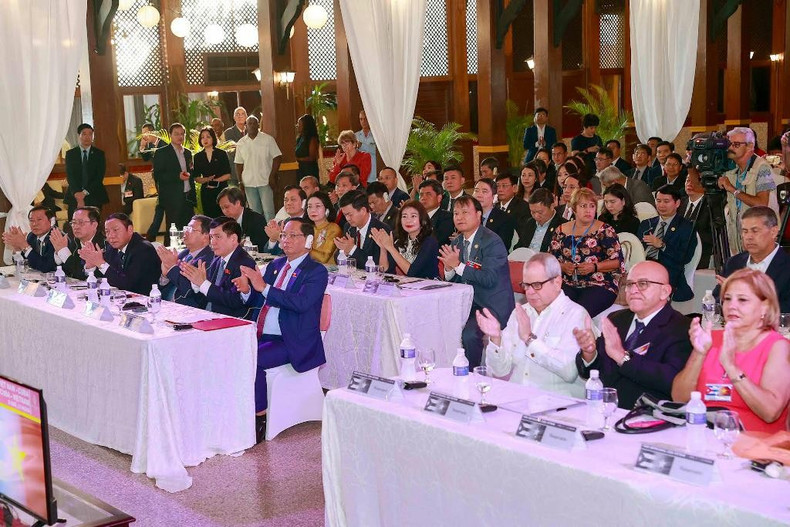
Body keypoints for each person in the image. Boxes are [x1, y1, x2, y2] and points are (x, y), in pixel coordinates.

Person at [234, 218, 328, 443]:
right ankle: (237, 410)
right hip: (264, 335)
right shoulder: (276, 266)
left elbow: (301, 303)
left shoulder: (316, 271)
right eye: (284, 235)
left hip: (293, 340)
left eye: (292, 235)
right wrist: (247, 289)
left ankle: (260, 416)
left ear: (308, 241)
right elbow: (258, 298)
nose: (285, 240)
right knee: (232, 351)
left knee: (252, 359)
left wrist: (264, 287)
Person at [672, 269, 790, 433]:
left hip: (755, 446)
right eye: (727, 299)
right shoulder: (710, 338)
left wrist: (731, 367)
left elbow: (770, 412)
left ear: (765, 307)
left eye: (742, 300)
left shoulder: (778, 346)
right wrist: (699, 354)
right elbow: (679, 398)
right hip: (704, 437)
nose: (732, 306)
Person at [573, 261, 693, 409]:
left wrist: (623, 357)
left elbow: (671, 381)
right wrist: (589, 353)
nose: (633, 290)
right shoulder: (616, 319)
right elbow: (595, 370)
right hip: (604, 411)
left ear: (665, 291)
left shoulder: (681, 328)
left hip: (647, 417)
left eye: (643, 284)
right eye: (629, 284)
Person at [478, 253, 592, 397]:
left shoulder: (575, 315)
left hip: (556, 405)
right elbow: (500, 371)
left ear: (557, 282)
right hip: (517, 398)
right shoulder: (521, 312)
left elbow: (570, 372)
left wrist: (530, 339)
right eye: (526, 285)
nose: (530, 292)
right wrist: (495, 339)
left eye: (537, 285)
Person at [439, 196, 514, 368]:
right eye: (456, 213)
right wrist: (450, 269)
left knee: (469, 335)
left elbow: (489, 278)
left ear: (478, 214)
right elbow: (455, 277)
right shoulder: (457, 241)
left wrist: (457, 265)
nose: (459, 217)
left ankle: (471, 374)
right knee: (438, 321)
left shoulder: (492, 241)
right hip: (468, 302)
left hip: (490, 304)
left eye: (465, 212)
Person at [550, 188, 624, 318]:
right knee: (556, 311)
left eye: (592, 206)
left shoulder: (605, 230)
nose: (588, 210)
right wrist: (562, 267)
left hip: (599, 284)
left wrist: (594, 267)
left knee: (577, 314)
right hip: (568, 282)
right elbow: (550, 260)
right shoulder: (561, 230)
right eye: (583, 206)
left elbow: (617, 262)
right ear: (574, 209)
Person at [175, 216, 255, 317]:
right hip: (208, 314)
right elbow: (207, 295)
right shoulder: (217, 260)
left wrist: (203, 283)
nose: (212, 242)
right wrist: (197, 284)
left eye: (218, 237)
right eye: (211, 237)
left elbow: (234, 301)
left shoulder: (244, 263)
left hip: (230, 321)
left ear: (233, 239)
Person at [715, 206, 790, 311]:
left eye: (755, 231)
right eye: (745, 231)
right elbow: (715, 301)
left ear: (773, 232)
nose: (749, 237)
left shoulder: (786, 266)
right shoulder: (733, 263)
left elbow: (786, 309)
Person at [719, 127, 777, 254]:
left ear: (750, 146)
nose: (730, 148)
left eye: (736, 144)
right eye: (729, 144)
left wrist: (733, 190)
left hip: (760, 241)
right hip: (740, 241)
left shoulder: (762, 168)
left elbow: (761, 204)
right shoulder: (732, 171)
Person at [636, 185, 697, 302]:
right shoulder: (646, 224)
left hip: (667, 271)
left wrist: (662, 246)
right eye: (658, 201)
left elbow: (685, 257)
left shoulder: (686, 227)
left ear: (677, 203)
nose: (661, 205)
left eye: (666, 201)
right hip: (642, 267)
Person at [78, 213, 160, 295]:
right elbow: (108, 275)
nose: (111, 236)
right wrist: (91, 266)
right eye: (107, 231)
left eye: (115, 230)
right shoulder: (112, 248)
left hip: (145, 300)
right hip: (121, 297)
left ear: (130, 230)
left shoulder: (143, 249)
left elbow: (127, 284)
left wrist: (101, 263)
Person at [371, 200, 439, 279]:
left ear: (422, 219)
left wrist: (390, 247)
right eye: (404, 216)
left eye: (413, 216)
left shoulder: (429, 242)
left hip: (428, 287)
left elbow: (412, 272)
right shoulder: (399, 240)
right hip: (405, 287)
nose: (408, 220)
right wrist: (383, 248)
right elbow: (385, 270)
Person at [156, 214, 214, 305]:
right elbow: (161, 288)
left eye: (191, 229)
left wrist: (172, 267)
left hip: (187, 309)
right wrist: (165, 276)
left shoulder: (208, 259)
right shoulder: (183, 254)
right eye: (186, 228)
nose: (185, 232)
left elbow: (189, 291)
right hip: (166, 304)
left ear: (205, 236)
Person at [152, 122, 195, 240]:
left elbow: (191, 170)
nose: (180, 137)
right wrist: (177, 176)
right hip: (172, 197)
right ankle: (168, 253)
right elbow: (158, 175)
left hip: (188, 196)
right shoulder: (162, 152)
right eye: (176, 134)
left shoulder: (187, 152)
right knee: (173, 229)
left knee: (188, 229)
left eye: (182, 134)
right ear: (170, 135)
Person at [235, 115, 282, 220]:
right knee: (255, 213)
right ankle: (259, 235)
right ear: (245, 126)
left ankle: (272, 235)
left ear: (258, 125)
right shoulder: (241, 143)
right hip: (249, 183)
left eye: (253, 123)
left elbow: (277, 157)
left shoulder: (268, 139)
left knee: (269, 212)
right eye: (249, 123)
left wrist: (272, 176)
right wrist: (240, 181)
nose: (251, 125)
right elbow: (238, 163)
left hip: (265, 181)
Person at [334, 191, 394, 272]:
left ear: (362, 210)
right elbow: (337, 257)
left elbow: (378, 266)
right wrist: (343, 252)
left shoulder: (381, 229)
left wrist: (352, 249)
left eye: (350, 214)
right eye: (345, 215)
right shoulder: (348, 227)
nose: (347, 218)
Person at [64, 123, 108, 219]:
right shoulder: (71, 154)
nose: (87, 137)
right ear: (79, 136)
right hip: (74, 196)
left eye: (90, 134)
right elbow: (70, 176)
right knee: (75, 224)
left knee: (93, 224)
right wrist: (78, 194)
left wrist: (84, 193)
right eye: (84, 134)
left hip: (94, 195)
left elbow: (99, 177)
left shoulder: (99, 154)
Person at [50, 206, 105, 279]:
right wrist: (58, 251)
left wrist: (63, 252)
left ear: (94, 225)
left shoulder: (104, 245)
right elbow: (61, 271)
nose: (76, 226)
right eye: (73, 222)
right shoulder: (73, 242)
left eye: (81, 222)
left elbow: (80, 275)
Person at [2, 206, 59, 272]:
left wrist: (25, 246)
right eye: (31, 221)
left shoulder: (57, 237)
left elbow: (46, 267)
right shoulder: (32, 236)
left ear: (51, 221)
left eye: (39, 220)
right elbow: (25, 262)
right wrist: (17, 248)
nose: (34, 224)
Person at [193, 126, 231, 219]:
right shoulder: (198, 156)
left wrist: (214, 181)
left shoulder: (221, 153)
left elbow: (228, 175)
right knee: (209, 217)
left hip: (221, 190)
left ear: (213, 138)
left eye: (208, 136)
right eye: (202, 137)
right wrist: (206, 180)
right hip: (206, 191)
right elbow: (196, 178)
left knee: (223, 216)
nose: (205, 139)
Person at [514, 188, 564, 252]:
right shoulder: (529, 223)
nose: (536, 216)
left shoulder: (562, 225)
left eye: (540, 212)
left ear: (551, 206)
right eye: (532, 212)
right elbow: (519, 247)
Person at [681, 168, 713, 269]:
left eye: (693, 181)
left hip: (701, 255)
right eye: (687, 180)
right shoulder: (680, 203)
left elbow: (711, 237)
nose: (690, 184)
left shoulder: (710, 205)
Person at [474, 178, 515, 250]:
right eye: (476, 191)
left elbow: (502, 246)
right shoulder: (470, 216)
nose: (479, 195)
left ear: (494, 196)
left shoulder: (504, 219)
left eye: (484, 191)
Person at [306, 192, 341, 264]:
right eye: (309, 206)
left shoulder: (333, 229)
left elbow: (323, 258)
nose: (313, 210)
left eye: (318, 206)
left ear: (327, 209)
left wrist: (302, 249)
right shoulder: (307, 228)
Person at [418, 179, 455, 247]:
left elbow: (437, 242)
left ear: (439, 198)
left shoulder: (448, 218)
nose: (423, 198)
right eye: (421, 194)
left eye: (428, 194)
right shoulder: (415, 217)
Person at [224, 106, 248, 187]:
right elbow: (232, 150)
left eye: (242, 114)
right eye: (237, 114)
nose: (240, 116)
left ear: (246, 117)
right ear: (234, 117)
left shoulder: (250, 131)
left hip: (250, 171)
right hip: (235, 173)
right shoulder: (229, 132)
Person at [355, 110, 377, 184]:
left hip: (373, 173)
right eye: (361, 119)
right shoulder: (355, 136)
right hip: (360, 172)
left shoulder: (376, 135)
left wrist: (362, 145)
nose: (363, 121)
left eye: (365, 119)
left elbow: (376, 151)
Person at [295, 114, 320, 179]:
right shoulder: (299, 138)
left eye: (299, 124)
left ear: (305, 126)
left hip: (309, 171)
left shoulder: (312, 139)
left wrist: (298, 159)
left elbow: (312, 158)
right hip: (300, 170)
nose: (297, 126)